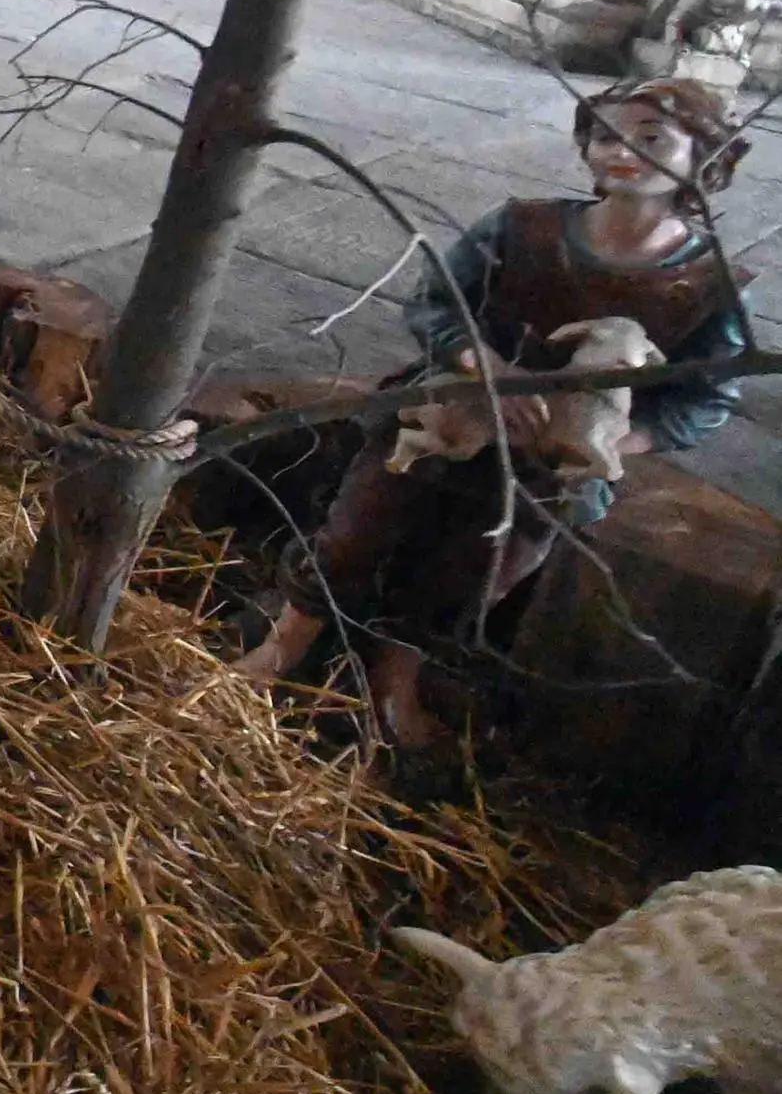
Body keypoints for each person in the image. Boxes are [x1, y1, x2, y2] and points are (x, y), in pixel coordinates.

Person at [235, 77, 750, 747]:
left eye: (650, 139)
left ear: (705, 158)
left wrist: (601, 443)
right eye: (604, 135)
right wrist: (485, 369)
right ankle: (289, 639)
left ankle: (397, 674)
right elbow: (433, 304)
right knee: (361, 521)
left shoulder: (708, 286)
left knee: (478, 568)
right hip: (445, 420)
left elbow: (704, 399)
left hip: (545, 469)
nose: (619, 151)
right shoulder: (524, 228)